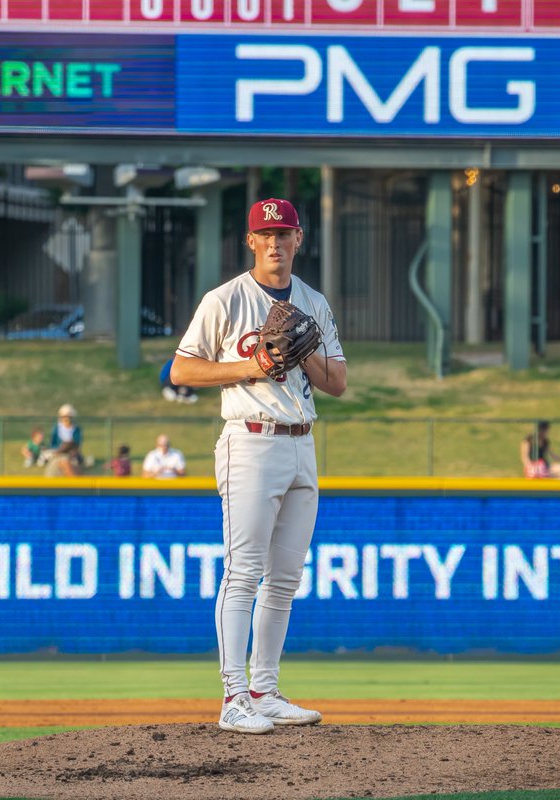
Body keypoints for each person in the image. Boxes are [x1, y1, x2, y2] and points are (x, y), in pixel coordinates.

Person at [170, 197, 346, 735]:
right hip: (249, 440)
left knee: (286, 578)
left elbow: (336, 383)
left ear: (299, 239)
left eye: (285, 233)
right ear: (251, 241)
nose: (275, 242)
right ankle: (232, 697)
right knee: (243, 571)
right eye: (265, 234)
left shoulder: (312, 302)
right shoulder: (225, 299)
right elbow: (181, 370)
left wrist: (304, 351)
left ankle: (264, 690)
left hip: (301, 442)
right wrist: (255, 364)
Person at [45, 404, 84, 477]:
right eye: (64, 417)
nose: (66, 419)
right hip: (61, 453)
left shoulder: (76, 429)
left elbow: (77, 443)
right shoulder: (57, 428)